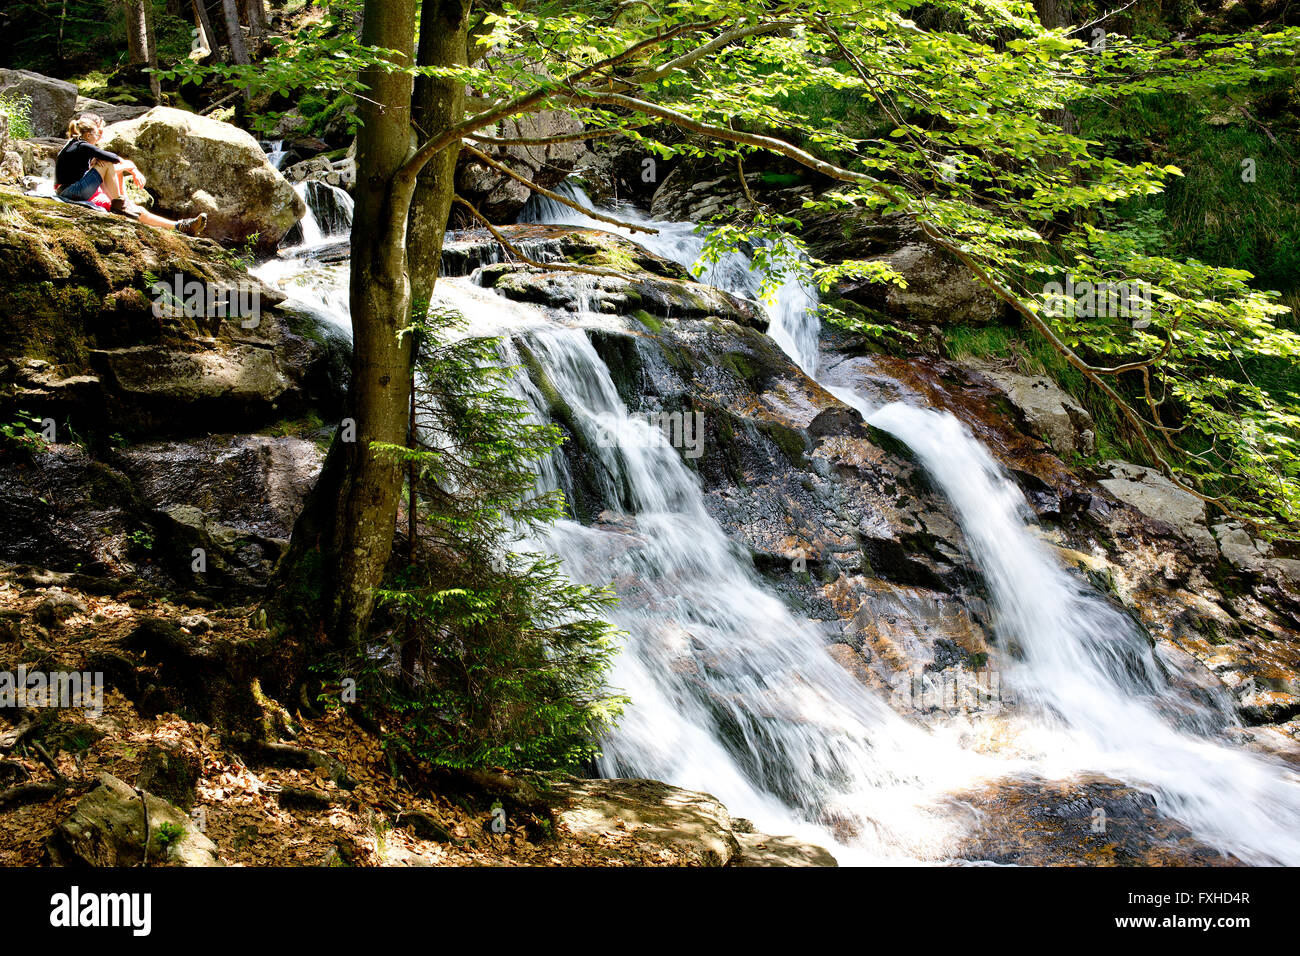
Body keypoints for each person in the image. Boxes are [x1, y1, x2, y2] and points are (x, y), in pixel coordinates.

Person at [55, 114, 208, 236]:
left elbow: (116, 168)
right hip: (75, 192)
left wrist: (129, 169)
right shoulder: (83, 146)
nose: (100, 136)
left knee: (136, 208)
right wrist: (132, 169)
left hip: (75, 190)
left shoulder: (74, 146)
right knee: (135, 208)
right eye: (97, 133)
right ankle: (180, 226)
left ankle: (181, 225)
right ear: (88, 135)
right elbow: (113, 159)